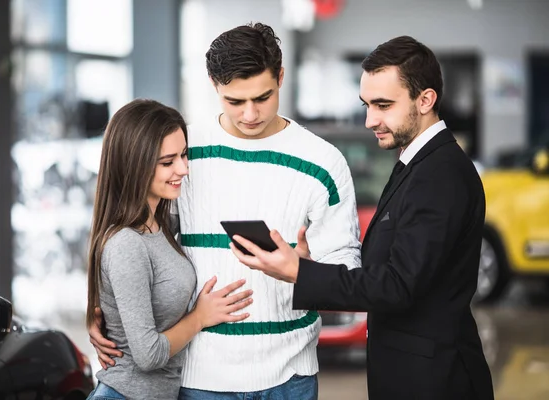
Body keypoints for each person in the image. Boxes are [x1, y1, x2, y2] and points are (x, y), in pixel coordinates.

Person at [90, 23, 362, 399]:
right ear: (213, 84)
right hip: (201, 376)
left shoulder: (324, 163)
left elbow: (348, 272)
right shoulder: (183, 152)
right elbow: (135, 237)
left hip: (290, 375)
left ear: (281, 77)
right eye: (234, 101)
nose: (249, 114)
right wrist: (101, 306)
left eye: (262, 97)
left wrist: (306, 269)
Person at [230, 36, 495, 400]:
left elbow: (397, 286)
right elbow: (389, 268)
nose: (371, 119)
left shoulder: (439, 174)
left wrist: (298, 272)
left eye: (383, 105)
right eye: (367, 105)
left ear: (426, 100)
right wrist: (311, 265)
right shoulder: (418, 164)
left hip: (434, 382)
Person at [85, 99, 253, 400]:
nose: (183, 169)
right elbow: (148, 354)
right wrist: (200, 316)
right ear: (133, 164)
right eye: (168, 162)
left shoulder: (160, 224)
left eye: (184, 155)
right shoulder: (126, 243)